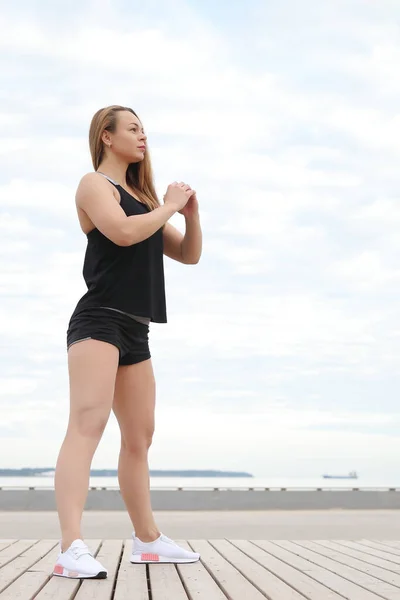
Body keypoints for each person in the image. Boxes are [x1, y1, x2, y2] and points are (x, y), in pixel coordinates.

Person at [52, 105, 202, 579]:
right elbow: (120, 233)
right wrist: (170, 206)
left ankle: (149, 541)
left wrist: (190, 214)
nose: (142, 137)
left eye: (144, 130)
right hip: (99, 319)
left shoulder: (142, 197)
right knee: (88, 424)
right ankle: (70, 546)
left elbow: (188, 254)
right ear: (107, 136)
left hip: (137, 329)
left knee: (140, 437)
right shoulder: (94, 185)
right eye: (133, 129)